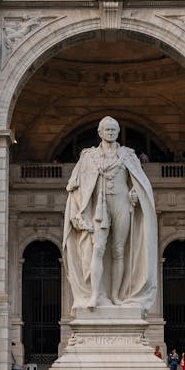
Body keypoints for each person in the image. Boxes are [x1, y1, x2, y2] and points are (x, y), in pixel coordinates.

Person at [63, 116, 157, 310]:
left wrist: (135, 192)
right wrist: (79, 211)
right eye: (107, 129)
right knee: (98, 248)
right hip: (99, 206)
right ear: (99, 132)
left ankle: (116, 295)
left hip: (122, 203)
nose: (111, 132)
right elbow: (77, 184)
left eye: (114, 129)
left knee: (119, 251)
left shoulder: (128, 155)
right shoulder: (88, 156)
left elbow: (139, 181)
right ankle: (95, 295)